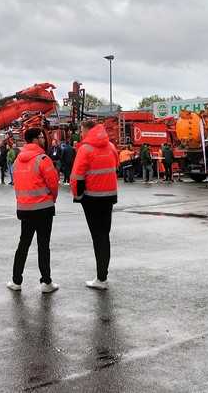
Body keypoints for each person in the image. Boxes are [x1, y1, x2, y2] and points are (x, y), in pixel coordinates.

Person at [7, 128, 59, 294]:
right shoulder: (43, 159)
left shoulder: (17, 161)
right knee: (43, 245)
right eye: (41, 137)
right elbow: (53, 183)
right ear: (35, 140)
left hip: (25, 209)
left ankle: (16, 280)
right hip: (43, 208)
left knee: (23, 244)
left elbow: (17, 184)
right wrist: (52, 199)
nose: (44, 139)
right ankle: (46, 282)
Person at [71, 119, 119, 290]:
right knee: (104, 236)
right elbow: (116, 166)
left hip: (91, 199)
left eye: (82, 131)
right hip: (109, 196)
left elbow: (76, 177)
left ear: (87, 130)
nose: (81, 134)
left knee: (97, 237)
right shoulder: (111, 146)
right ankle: (102, 275)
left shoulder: (85, 149)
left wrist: (78, 196)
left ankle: (101, 279)